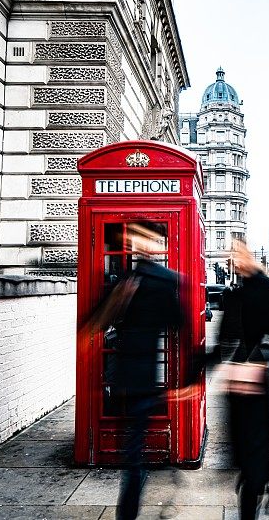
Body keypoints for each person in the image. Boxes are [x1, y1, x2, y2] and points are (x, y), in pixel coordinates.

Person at [106, 222, 182, 520]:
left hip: (145, 377)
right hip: (127, 376)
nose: (138, 244)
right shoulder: (129, 278)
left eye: (144, 239)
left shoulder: (162, 280)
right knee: (132, 450)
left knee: (133, 453)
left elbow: (178, 324)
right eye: (135, 239)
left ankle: (127, 513)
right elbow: (104, 317)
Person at [221, 240, 269, 520]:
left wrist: (261, 361)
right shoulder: (234, 294)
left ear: (248, 256)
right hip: (237, 382)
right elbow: (223, 340)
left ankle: (258, 485)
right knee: (241, 448)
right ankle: (258, 481)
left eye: (236, 254)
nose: (233, 260)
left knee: (257, 446)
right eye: (231, 256)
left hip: (259, 379)